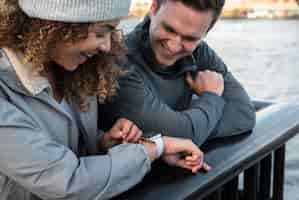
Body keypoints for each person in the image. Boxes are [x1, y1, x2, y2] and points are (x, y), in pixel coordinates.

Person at [0, 0, 210, 199]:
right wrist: (153, 149)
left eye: (111, 32)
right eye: (101, 33)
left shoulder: (75, 69)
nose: (107, 47)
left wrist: (102, 143)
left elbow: (59, 149)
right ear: (56, 25)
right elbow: (68, 182)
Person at [99, 0, 256, 146]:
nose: (174, 46)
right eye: (169, 29)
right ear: (153, 7)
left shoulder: (199, 52)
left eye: (190, 38)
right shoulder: (117, 62)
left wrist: (189, 125)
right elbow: (179, 134)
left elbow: (244, 114)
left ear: (205, 33)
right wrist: (211, 98)